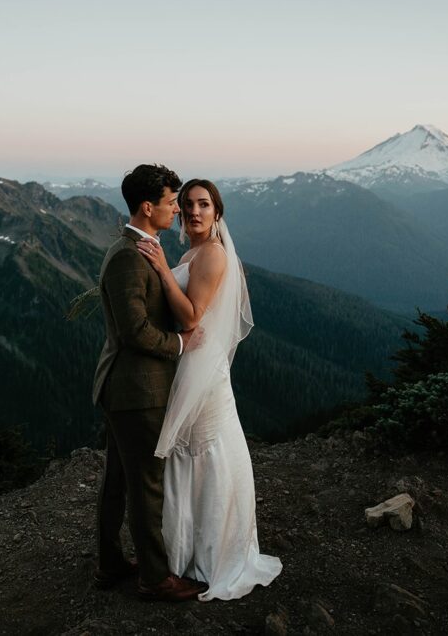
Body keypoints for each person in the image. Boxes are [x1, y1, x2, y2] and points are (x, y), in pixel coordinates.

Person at [136, 178, 282, 601]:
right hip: (189, 364)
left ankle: (212, 554)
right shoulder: (193, 252)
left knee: (203, 451)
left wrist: (162, 269)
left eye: (204, 204)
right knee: (191, 454)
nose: (194, 211)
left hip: (202, 368)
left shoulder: (214, 255)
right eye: (187, 205)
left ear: (217, 213)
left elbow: (192, 319)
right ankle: (185, 554)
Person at [92, 163, 207, 601]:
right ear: (147, 207)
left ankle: (110, 563)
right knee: (145, 484)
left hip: (130, 389)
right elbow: (134, 331)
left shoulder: (141, 248)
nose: (177, 210)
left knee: (120, 479)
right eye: (171, 202)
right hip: (136, 390)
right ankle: (155, 578)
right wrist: (181, 343)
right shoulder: (127, 256)